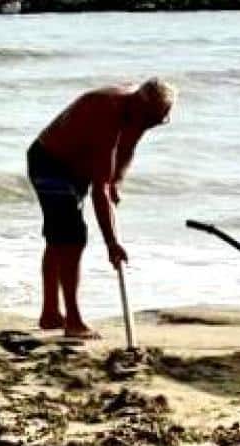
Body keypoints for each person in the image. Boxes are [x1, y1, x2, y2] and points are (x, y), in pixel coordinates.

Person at [27, 78, 175, 339]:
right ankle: (73, 321)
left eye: (158, 122)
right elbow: (99, 190)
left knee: (59, 238)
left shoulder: (140, 113)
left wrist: (117, 179)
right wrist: (112, 243)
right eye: (151, 120)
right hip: (50, 162)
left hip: (77, 169)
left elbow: (127, 149)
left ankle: (50, 314)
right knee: (71, 239)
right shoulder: (106, 111)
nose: (152, 126)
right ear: (138, 106)